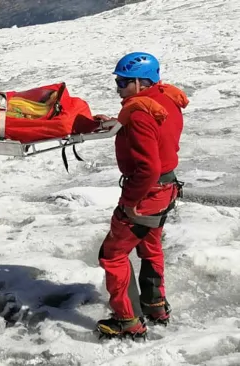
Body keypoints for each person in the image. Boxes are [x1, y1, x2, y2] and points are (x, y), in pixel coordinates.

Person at [94, 52, 188, 338]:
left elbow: (148, 167)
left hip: (147, 193)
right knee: (150, 246)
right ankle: (155, 305)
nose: (118, 88)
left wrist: (130, 203)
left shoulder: (139, 114)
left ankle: (127, 321)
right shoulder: (164, 99)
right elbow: (155, 131)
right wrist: (117, 122)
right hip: (166, 189)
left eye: (123, 82)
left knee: (112, 254)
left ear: (139, 81)